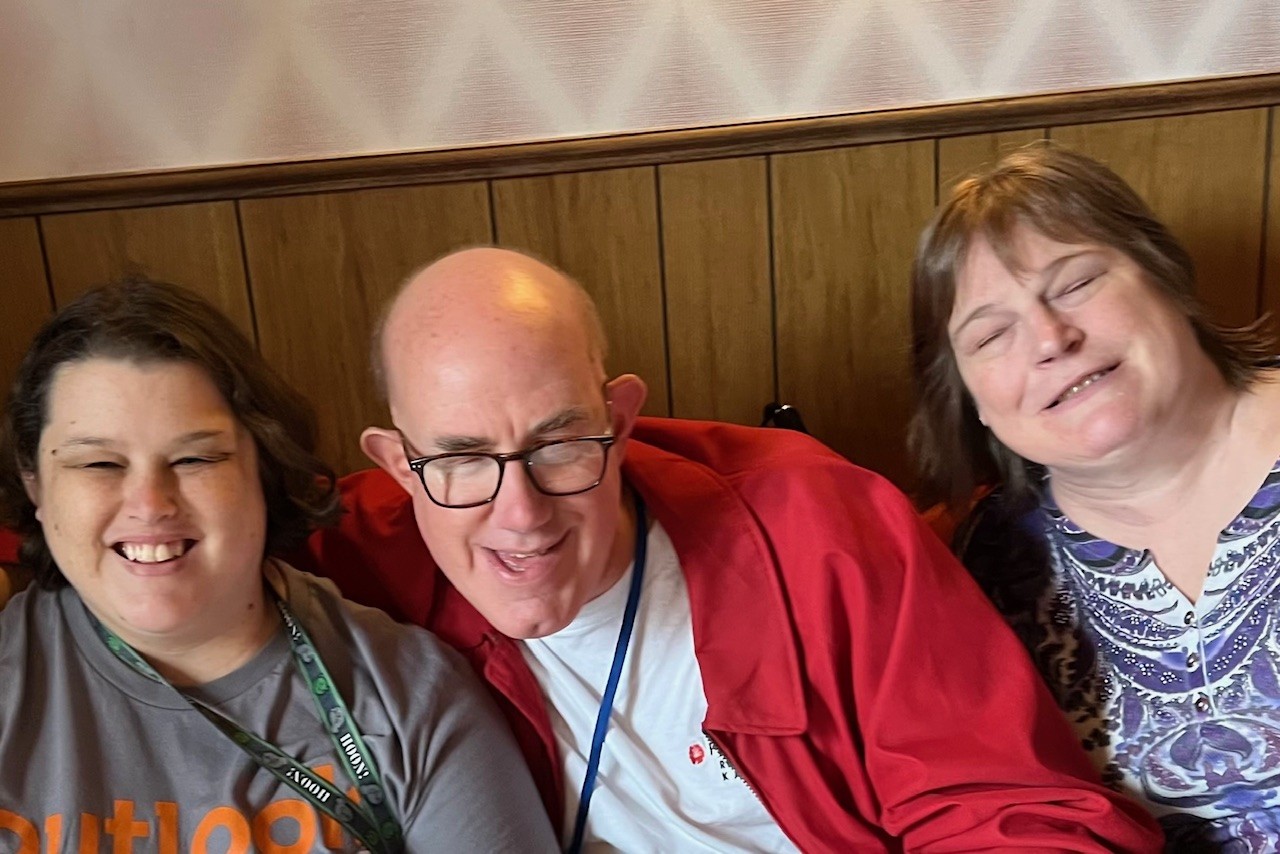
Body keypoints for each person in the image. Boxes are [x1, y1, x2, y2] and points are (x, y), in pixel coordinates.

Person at [292, 246, 1162, 851]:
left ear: (620, 421)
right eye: (464, 458)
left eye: (560, 445)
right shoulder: (346, 565)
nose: (519, 513)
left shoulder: (819, 524)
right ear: (400, 465)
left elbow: (1016, 816)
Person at [0, 281, 557, 853]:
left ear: (263, 470)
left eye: (196, 458)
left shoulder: (416, 701)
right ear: (35, 482)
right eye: (98, 462)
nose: (150, 504)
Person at [910, 143, 1280, 850]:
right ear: (970, 401)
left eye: (1076, 284)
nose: (1050, 339)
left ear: (1166, 277)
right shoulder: (979, 566)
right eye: (991, 335)